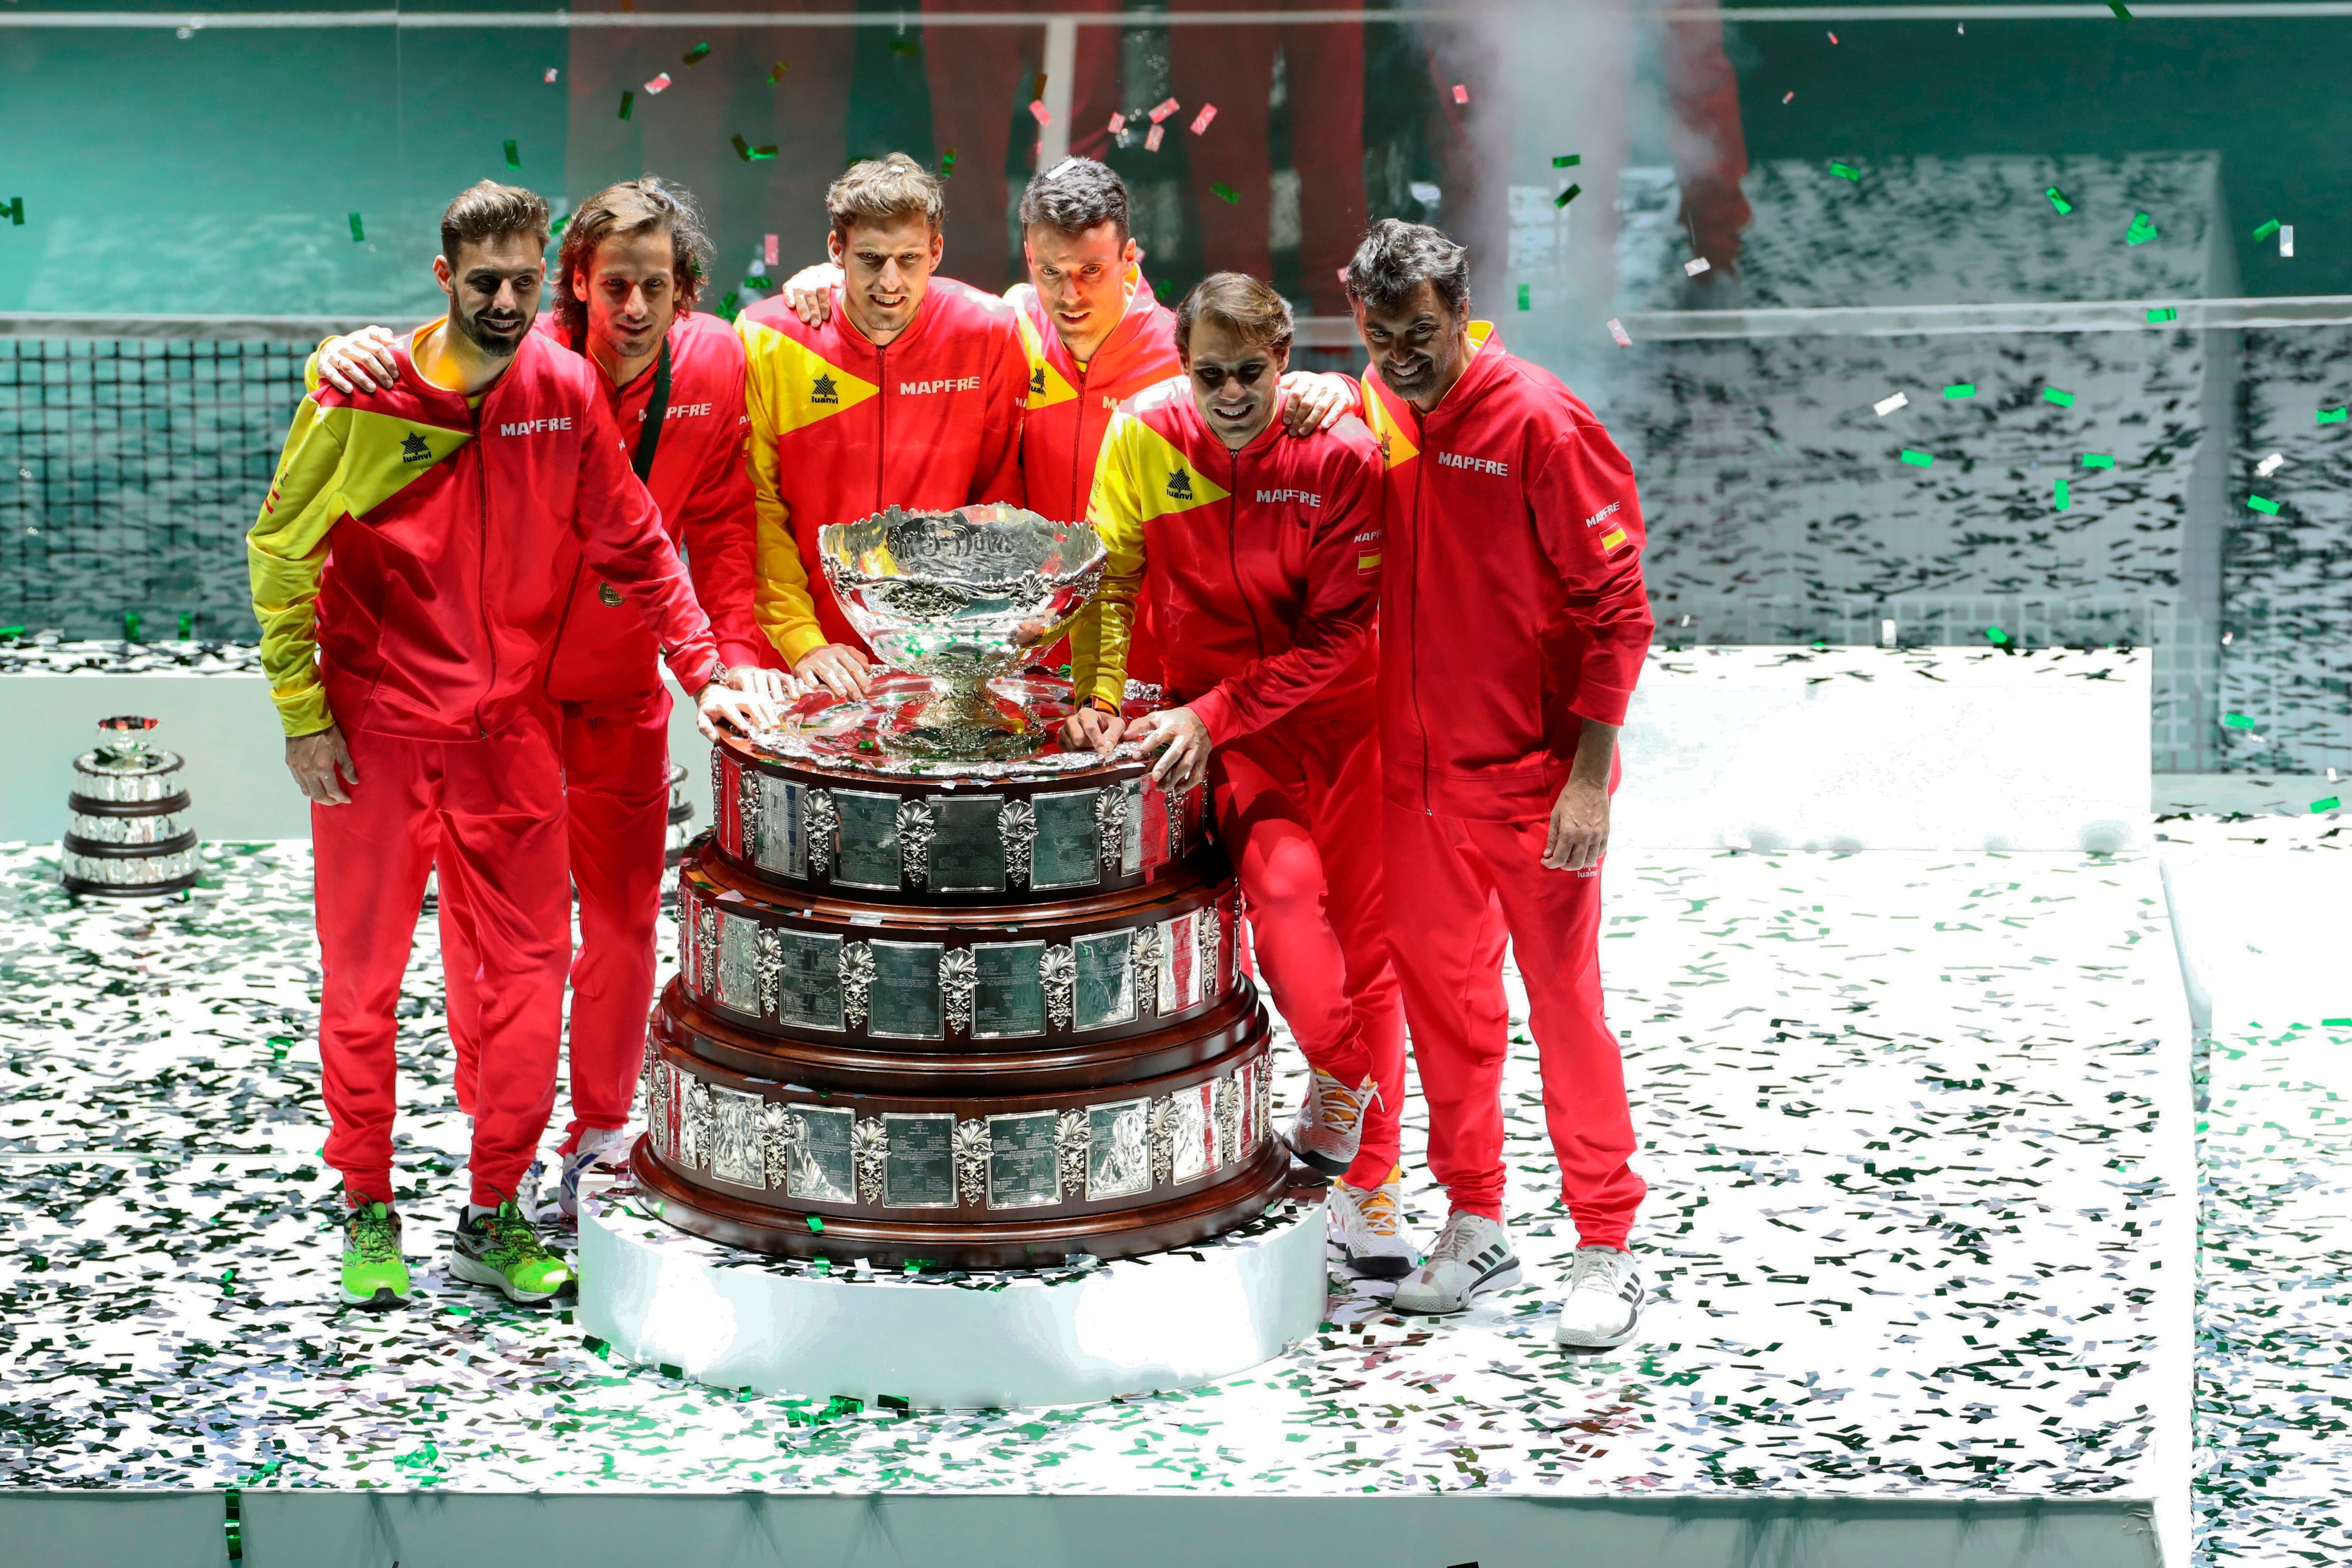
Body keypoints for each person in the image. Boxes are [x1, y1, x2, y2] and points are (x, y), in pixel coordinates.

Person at [249, 181, 772, 1311]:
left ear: (548, 282)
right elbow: (282, 555)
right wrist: (301, 713)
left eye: (522, 284)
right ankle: (366, 1203)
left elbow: (639, 545)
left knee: (530, 978)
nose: (503, 301)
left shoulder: (564, 387)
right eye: (483, 282)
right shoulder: (370, 392)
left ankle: (494, 1210)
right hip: (378, 739)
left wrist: (706, 675)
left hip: (511, 732)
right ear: (443, 279)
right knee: (364, 982)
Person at [1338, 219, 1654, 1348]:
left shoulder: (1538, 422)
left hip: (1528, 788)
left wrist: (1588, 783)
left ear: (1459, 310)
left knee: (1566, 1011)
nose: (1401, 356)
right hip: (1411, 791)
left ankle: (1606, 1241)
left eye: (1420, 333)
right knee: (1447, 1019)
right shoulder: (1370, 409)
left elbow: (1620, 612)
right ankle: (1474, 1220)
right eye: (1380, 335)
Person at [1060, 272, 1412, 1280]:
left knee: (1370, 953)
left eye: (1250, 371)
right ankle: (1345, 1079)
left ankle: (1370, 1183)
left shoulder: (1340, 448)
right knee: (1286, 898)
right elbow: (1109, 572)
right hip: (1235, 737)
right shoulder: (1143, 435)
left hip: (1345, 725)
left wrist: (1207, 711)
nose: (1229, 393)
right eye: (1208, 373)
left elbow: (1345, 632)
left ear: (1286, 355)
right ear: (1180, 366)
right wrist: (1100, 686)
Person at [772, 158, 1354, 729]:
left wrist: (1338, 388)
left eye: (1091, 271)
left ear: (1130, 259)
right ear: (1029, 261)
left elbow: (1270, 418)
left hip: (1156, 678)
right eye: (1050, 272)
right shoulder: (1016, 327)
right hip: (1030, 665)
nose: (1069, 295)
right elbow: (917, 293)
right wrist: (828, 279)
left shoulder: (1184, 363)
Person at [735, 152, 1028, 698]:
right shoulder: (767, 337)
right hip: (800, 657)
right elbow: (756, 510)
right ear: (835, 250)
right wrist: (803, 641)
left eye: (909, 259)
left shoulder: (991, 331)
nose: (889, 282)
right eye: (869, 259)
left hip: (948, 657)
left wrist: (961, 637)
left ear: (936, 251)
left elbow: (1002, 498)